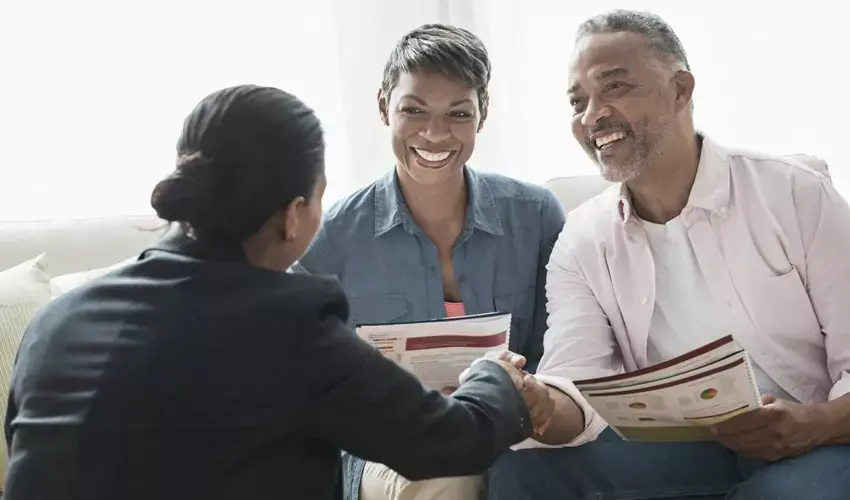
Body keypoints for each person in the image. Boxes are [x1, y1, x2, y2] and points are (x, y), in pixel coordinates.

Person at [2, 84, 555, 500]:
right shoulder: (286, 323)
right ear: (294, 215)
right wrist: (493, 376)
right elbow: (452, 442)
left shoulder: (59, 320)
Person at [486, 9, 850, 500]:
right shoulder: (582, 239)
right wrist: (537, 401)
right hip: (680, 446)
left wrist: (813, 424)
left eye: (614, 88)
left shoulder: (794, 194)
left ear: (681, 89)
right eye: (578, 101)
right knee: (518, 472)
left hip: (815, 439)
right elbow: (577, 386)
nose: (592, 115)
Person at [294, 24, 565, 500]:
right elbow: (301, 378)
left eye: (457, 113)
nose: (435, 133)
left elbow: (560, 352)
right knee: (450, 476)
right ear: (384, 107)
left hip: (514, 432)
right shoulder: (331, 236)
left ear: (482, 115)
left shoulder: (536, 215)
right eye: (413, 110)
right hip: (387, 451)